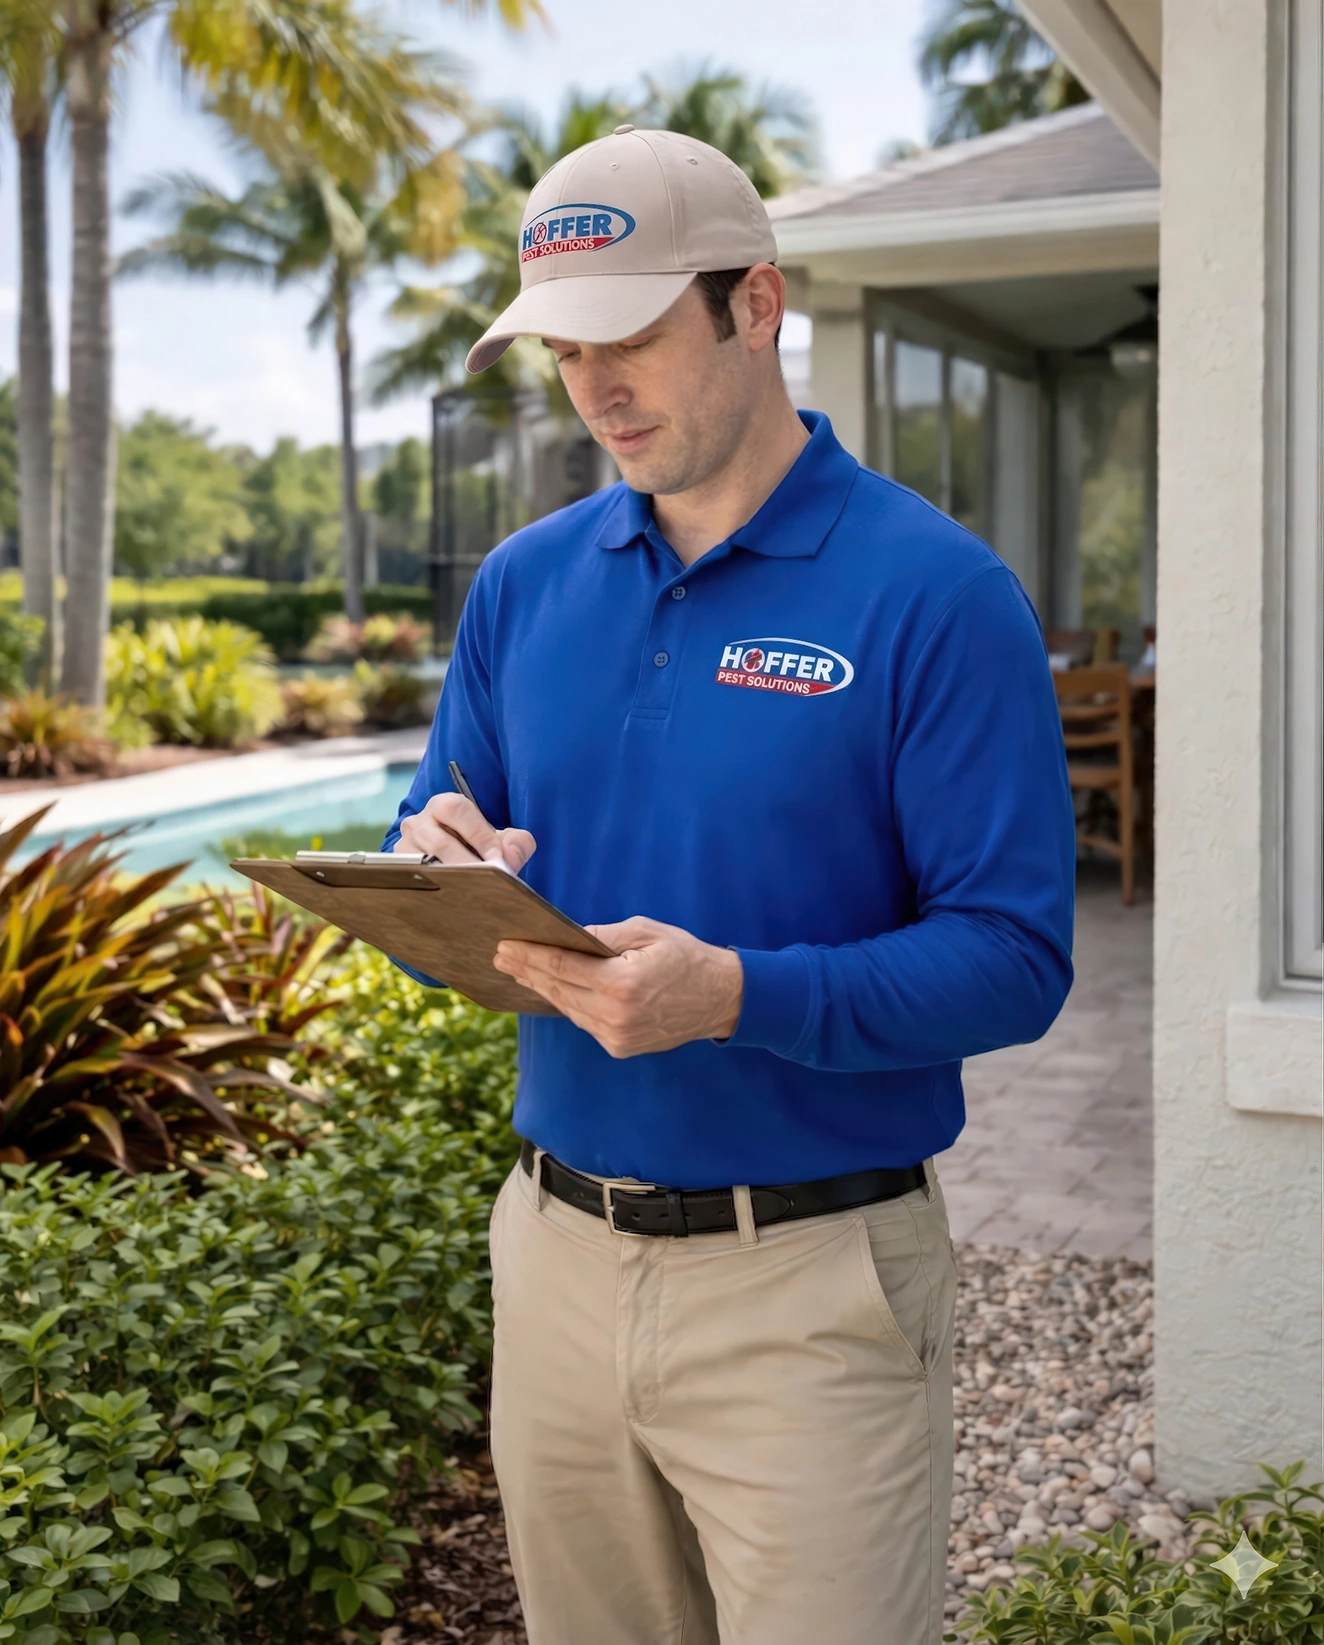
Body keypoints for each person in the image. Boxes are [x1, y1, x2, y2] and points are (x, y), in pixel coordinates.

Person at [383, 124, 1076, 1645]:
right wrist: (427, 864)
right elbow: (434, 825)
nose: (594, 389)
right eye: (565, 351)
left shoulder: (938, 596)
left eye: (629, 336)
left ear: (754, 307)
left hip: (810, 1289)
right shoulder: (523, 584)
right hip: (553, 1257)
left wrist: (734, 996)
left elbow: (1016, 957)